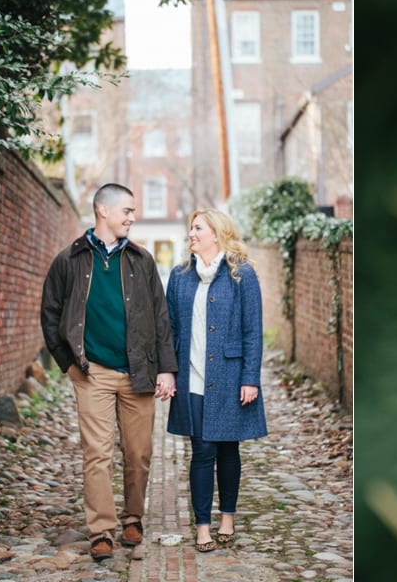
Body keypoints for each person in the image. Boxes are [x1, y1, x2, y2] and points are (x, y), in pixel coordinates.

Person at [40, 183, 177, 561]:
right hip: (92, 373)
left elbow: (160, 318)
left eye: (133, 211)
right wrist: (68, 363)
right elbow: (50, 315)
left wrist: (167, 369)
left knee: (139, 452)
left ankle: (133, 517)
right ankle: (102, 530)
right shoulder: (68, 260)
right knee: (96, 453)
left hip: (138, 372)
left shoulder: (142, 260)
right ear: (103, 210)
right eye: (127, 211)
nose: (132, 217)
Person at [166, 208, 268, 552]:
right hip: (192, 377)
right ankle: (203, 525)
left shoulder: (243, 275)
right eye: (191, 228)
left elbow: (253, 331)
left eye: (198, 228)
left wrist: (250, 378)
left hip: (229, 376)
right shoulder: (180, 276)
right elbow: (171, 329)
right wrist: (168, 370)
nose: (191, 233)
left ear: (216, 233)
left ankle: (227, 517)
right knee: (202, 451)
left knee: (228, 449)